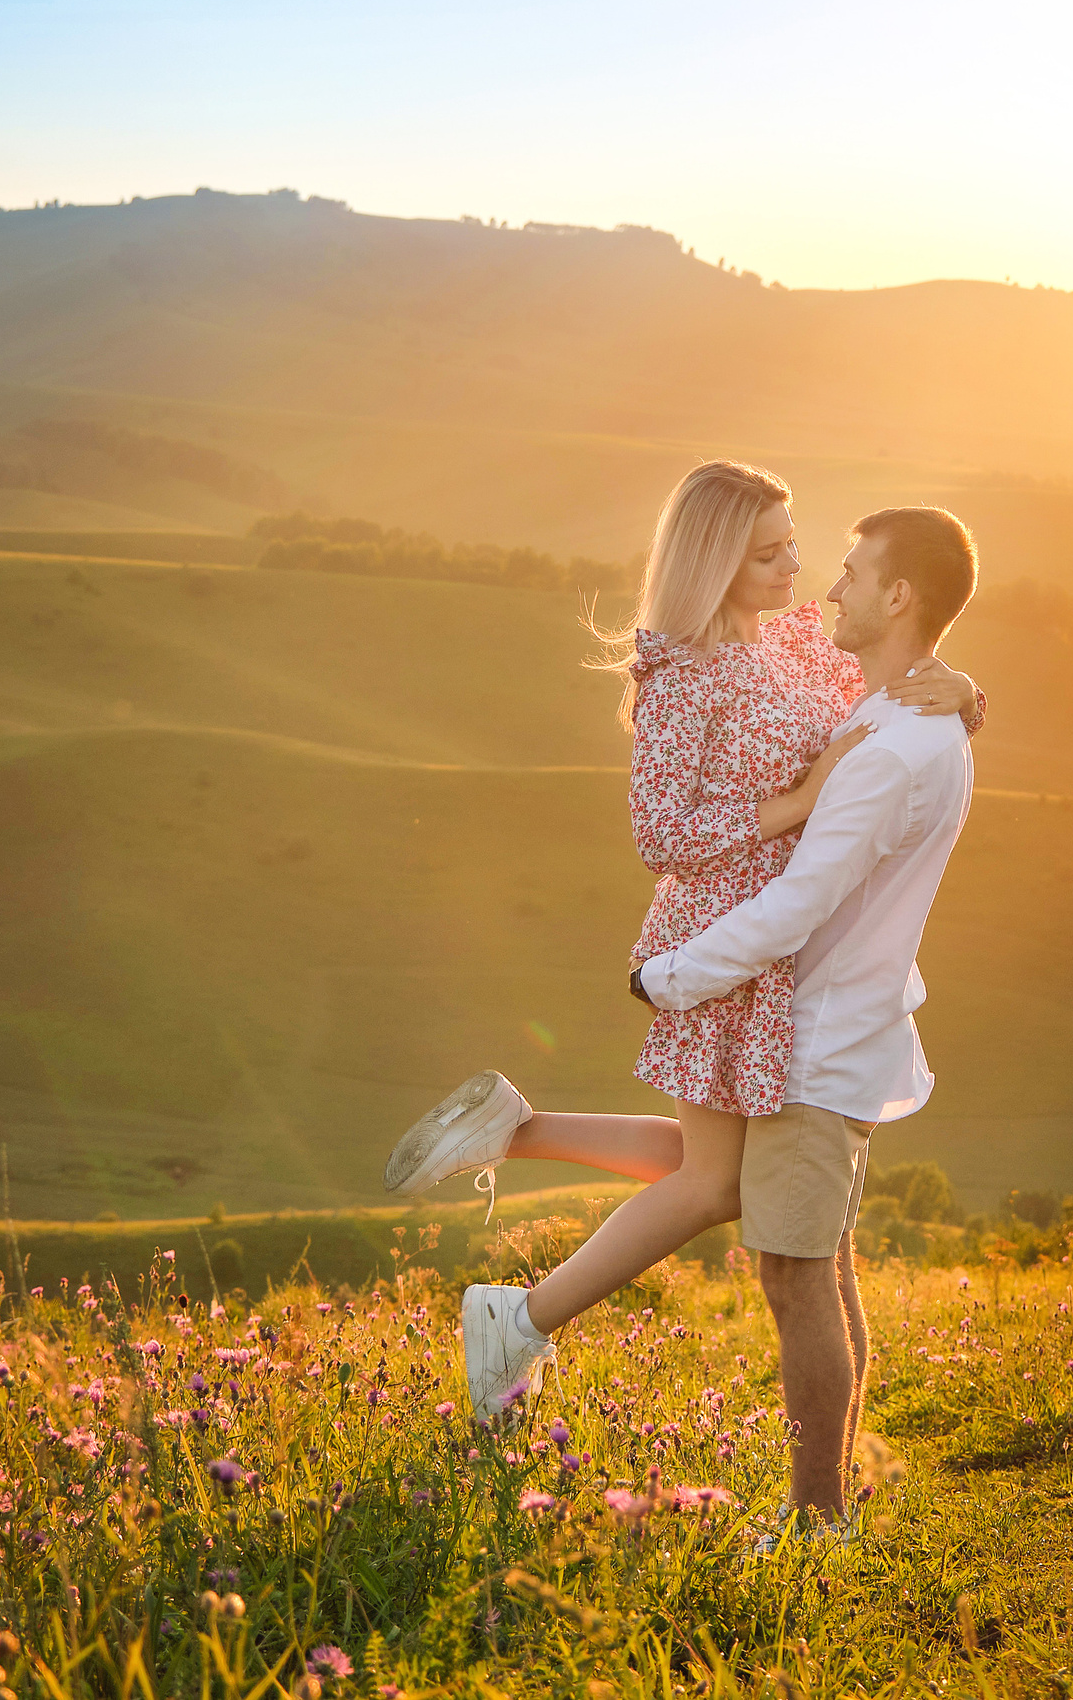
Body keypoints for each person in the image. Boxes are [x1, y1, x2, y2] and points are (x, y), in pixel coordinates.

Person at [379, 461, 983, 1427]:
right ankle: (516, 1317)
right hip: (724, 934)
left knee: (736, 1170)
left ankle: (516, 1134)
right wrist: (796, 800)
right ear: (715, 561)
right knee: (717, 1180)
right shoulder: (678, 673)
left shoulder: (794, 641)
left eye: (795, 544)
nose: (798, 567)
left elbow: (882, 685)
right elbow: (660, 835)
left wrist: (957, 686)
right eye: (770, 552)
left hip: (782, 936)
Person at [630, 503, 982, 1528]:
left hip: (818, 1037)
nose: (827, 588)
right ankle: (833, 1503)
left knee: (794, 1277)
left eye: (850, 572)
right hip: (837, 1032)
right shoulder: (896, 718)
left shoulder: (886, 749)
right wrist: (964, 692)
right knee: (818, 1266)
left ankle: (816, 1522)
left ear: (899, 596)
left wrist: (669, 978)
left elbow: (795, 905)